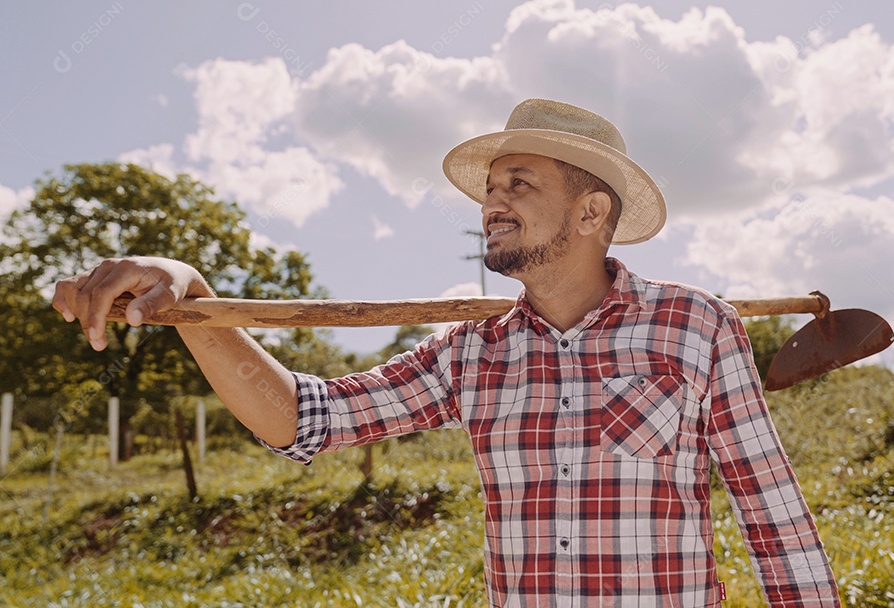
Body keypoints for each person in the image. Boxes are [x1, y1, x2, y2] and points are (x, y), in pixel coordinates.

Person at [53, 98, 841, 606]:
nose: (492, 204)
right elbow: (300, 419)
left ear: (592, 210)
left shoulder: (696, 327)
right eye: (490, 188)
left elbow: (773, 516)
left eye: (519, 184)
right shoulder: (470, 355)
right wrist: (193, 297)